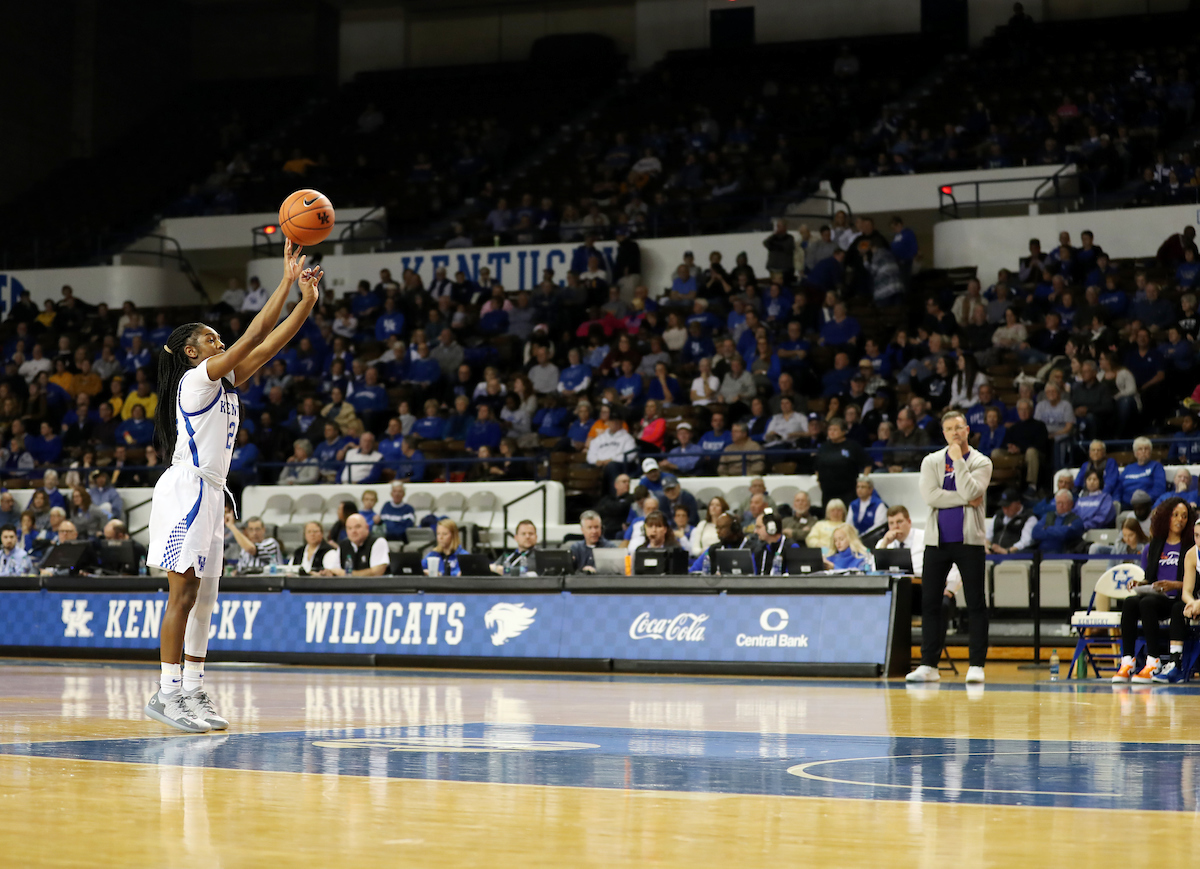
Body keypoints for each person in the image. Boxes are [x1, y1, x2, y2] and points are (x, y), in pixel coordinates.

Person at [144, 240, 319, 733]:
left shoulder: (225, 382)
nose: (222, 343)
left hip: (213, 492)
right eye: (212, 339)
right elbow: (255, 331)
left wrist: (305, 302)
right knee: (182, 595)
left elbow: (269, 344)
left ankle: (194, 687)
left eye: (220, 339)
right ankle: (167, 691)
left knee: (205, 599)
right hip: (187, 489)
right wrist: (286, 282)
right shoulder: (196, 380)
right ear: (190, 351)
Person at [908, 411, 992, 684]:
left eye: (959, 427)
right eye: (949, 429)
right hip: (937, 542)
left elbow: (972, 492)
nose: (955, 432)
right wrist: (966, 499)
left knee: (976, 603)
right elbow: (930, 496)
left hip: (970, 542)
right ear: (943, 433)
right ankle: (928, 665)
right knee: (930, 602)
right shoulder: (931, 461)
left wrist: (958, 462)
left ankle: (976, 665)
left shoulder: (981, 461)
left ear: (967, 429)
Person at [1112, 499, 1195, 683]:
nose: (1179, 520)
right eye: (1175, 515)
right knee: (1130, 602)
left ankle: (1153, 660)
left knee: (1147, 603)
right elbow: (1150, 577)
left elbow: (1193, 585)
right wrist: (1140, 583)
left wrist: (1173, 585)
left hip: (1178, 598)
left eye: (1184, 516)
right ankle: (1127, 660)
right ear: (1166, 517)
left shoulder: (1189, 546)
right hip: (1158, 597)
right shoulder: (1156, 544)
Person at [815, 418, 871, 507]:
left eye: (835, 430)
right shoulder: (823, 447)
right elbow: (817, 466)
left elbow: (867, 463)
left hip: (848, 492)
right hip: (827, 492)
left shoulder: (852, 446)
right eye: (830, 430)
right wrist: (819, 480)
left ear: (844, 431)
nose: (832, 432)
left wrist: (864, 480)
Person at [876, 505, 925, 574]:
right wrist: (884, 545)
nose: (895, 526)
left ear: (909, 522)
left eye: (899, 522)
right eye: (891, 523)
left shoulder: (924, 538)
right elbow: (875, 571)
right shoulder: (883, 542)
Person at [1031, 490, 1085, 554]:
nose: (1060, 506)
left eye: (1063, 503)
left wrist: (1046, 528)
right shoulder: (1048, 516)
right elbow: (1035, 532)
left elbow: (1064, 534)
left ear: (1071, 504)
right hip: (1040, 552)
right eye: (1058, 503)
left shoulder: (1077, 520)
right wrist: (1060, 529)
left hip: (1062, 552)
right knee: (1019, 554)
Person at [1118, 437, 1167, 506]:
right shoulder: (1128, 468)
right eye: (1140, 449)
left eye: (1146, 449)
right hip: (1126, 505)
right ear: (1135, 453)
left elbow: (1159, 489)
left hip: (1146, 506)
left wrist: (1143, 501)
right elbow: (1118, 487)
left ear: (1150, 452)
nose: (1143, 451)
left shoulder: (1156, 466)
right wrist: (1116, 500)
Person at [753, 509, 791, 575]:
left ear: (771, 528)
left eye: (758, 527)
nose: (755, 531)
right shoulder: (759, 550)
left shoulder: (791, 548)